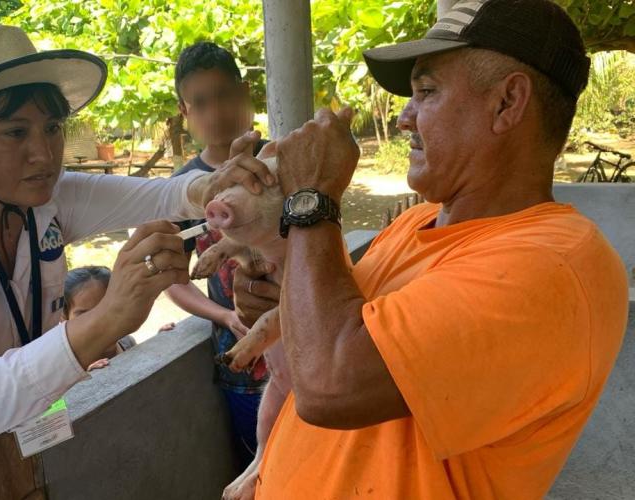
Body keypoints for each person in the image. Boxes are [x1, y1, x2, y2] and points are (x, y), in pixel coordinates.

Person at [0, 25, 274, 499]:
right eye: (15, 133)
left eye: (51, 128)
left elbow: (170, 194)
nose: (43, 153)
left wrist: (212, 186)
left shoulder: (43, 202)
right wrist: (107, 319)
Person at [233, 1, 630, 498]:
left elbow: (329, 381)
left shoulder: (555, 266)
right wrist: (279, 284)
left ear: (508, 103)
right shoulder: (417, 221)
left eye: (426, 92)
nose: (404, 118)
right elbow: (328, 331)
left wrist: (311, 196)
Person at [164, 41, 268, 468]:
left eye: (224, 95)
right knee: (260, 470)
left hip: (303, 341)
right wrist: (224, 316)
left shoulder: (278, 160)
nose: (216, 112)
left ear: (244, 93)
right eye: (200, 103)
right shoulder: (182, 187)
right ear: (186, 113)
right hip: (241, 362)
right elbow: (173, 279)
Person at [63, 266, 136, 370]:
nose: (97, 322)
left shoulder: (127, 342)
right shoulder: (66, 371)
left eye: (107, 310)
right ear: (64, 317)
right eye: (84, 315)